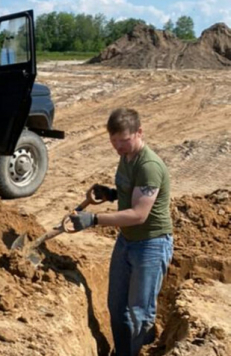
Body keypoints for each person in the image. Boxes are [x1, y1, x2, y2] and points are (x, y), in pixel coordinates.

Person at [69, 108, 173, 356]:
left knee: (140, 313)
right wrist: (112, 194)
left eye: (123, 140)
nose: (118, 147)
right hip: (127, 241)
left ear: (139, 132)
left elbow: (139, 214)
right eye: (113, 141)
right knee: (117, 307)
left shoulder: (149, 166)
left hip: (151, 244)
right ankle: (124, 351)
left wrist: (93, 219)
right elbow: (131, 192)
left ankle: (140, 348)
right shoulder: (126, 157)